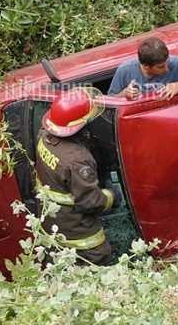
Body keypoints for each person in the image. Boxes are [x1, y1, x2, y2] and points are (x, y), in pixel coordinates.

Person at [35, 87, 122, 266]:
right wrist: (112, 196)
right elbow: (91, 202)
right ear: (81, 124)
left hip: (53, 224)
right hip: (81, 238)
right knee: (99, 264)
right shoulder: (77, 161)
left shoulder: (45, 135)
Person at [107, 36, 178, 100]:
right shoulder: (125, 71)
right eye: (160, 67)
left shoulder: (173, 63)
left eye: (166, 63)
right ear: (146, 66)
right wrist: (125, 93)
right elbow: (110, 101)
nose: (167, 68)